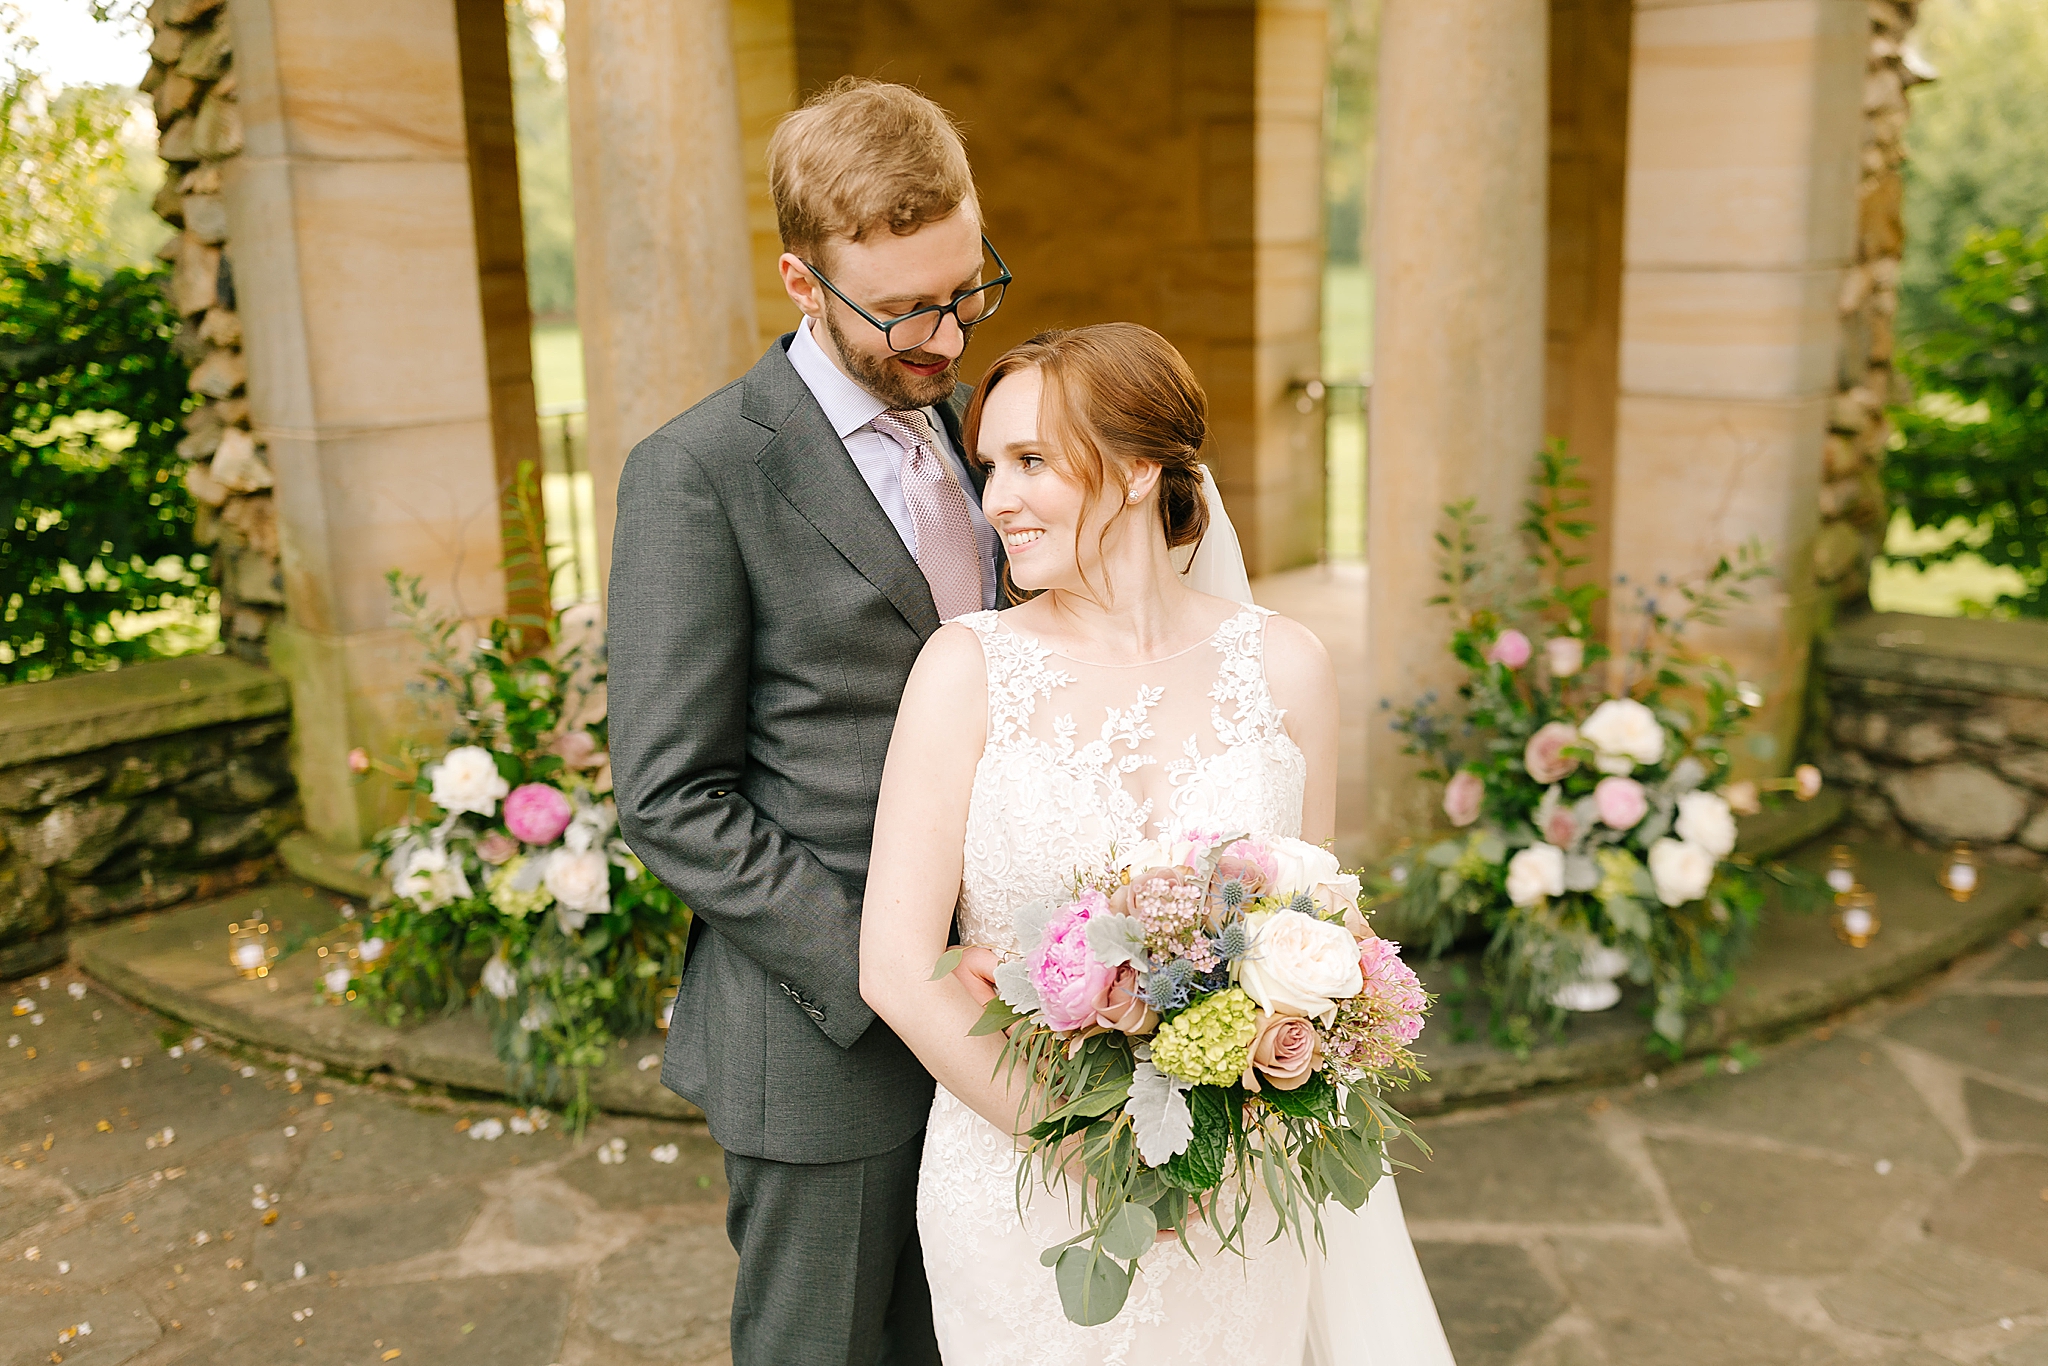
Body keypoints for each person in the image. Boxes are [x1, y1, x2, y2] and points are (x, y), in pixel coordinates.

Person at [858, 324, 1458, 1364]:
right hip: (1022, 1187)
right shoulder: (963, 670)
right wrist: (1083, 1142)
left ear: (1139, 470)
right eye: (988, 463)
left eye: (1032, 461)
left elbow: (1311, 933)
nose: (996, 498)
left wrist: (1252, 1102)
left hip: (1234, 1189)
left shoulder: (1286, 667)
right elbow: (896, 969)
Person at [607, 78, 1008, 1366]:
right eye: (901, 310)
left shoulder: (971, 428)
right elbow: (669, 794)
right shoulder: (699, 471)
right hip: (822, 1041)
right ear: (798, 279)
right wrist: (896, 971)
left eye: (967, 289)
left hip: (1011, 1021)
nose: (944, 336)